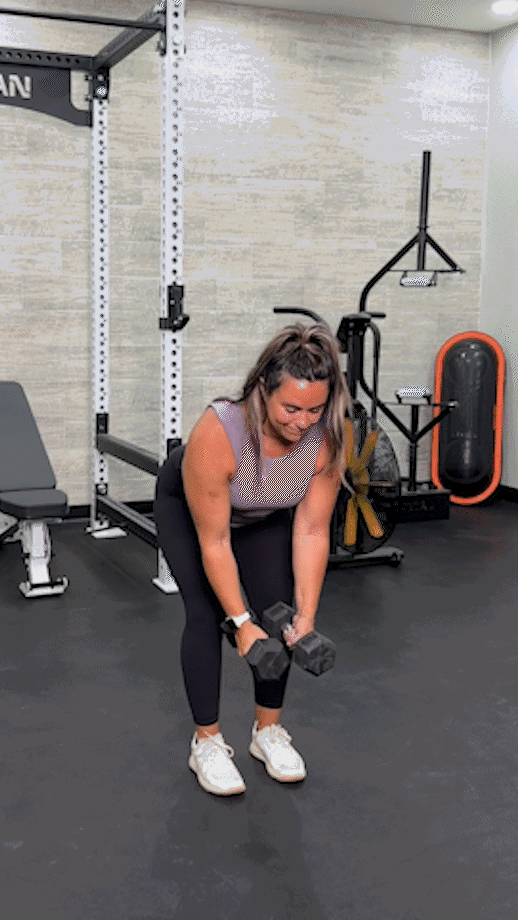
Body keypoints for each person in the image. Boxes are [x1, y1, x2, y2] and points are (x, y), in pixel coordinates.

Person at [153, 321, 355, 796]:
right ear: (264, 391)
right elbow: (216, 541)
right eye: (290, 407)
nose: (302, 422)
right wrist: (240, 622)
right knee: (206, 615)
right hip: (191, 511)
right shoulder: (220, 432)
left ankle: (268, 732)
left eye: (314, 409)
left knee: (279, 611)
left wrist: (306, 615)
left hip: (263, 513)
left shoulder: (327, 436)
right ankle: (206, 741)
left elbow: (310, 528)